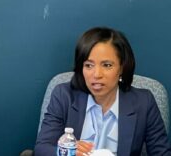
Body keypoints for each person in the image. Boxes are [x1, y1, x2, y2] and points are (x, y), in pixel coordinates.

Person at [34, 27, 171, 156]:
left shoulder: (143, 102)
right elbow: (42, 148)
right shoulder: (64, 95)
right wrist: (65, 152)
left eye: (107, 65)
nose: (97, 74)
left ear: (121, 67)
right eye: (89, 65)